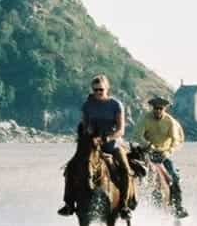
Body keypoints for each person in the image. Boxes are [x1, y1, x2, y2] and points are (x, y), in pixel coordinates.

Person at [58, 75, 135, 216]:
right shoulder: (87, 105)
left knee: (125, 169)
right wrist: (89, 135)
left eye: (101, 89)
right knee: (71, 167)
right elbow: (85, 126)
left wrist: (106, 138)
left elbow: (121, 130)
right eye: (95, 90)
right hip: (92, 144)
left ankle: (124, 206)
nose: (98, 92)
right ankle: (68, 204)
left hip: (113, 144)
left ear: (107, 89)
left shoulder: (116, 104)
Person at [133, 97, 189, 218]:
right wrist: (147, 145)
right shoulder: (145, 119)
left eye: (160, 109)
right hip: (147, 153)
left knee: (175, 176)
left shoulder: (170, 122)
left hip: (163, 155)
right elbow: (136, 135)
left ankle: (178, 206)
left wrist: (168, 152)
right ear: (152, 108)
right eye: (155, 108)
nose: (157, 111)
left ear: (164, 109)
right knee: (133, 171)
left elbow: (177, 141)